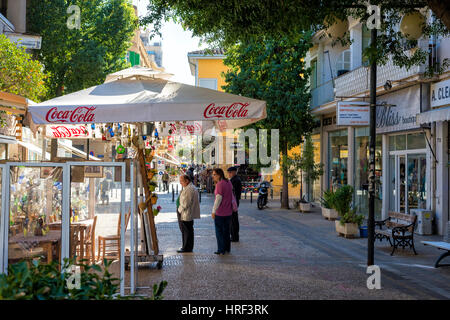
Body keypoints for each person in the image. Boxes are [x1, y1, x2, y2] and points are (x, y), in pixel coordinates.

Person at [211, 168, 233, 255]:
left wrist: (213, 211)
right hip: (228, 212)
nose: (213, 176)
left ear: (219, 175)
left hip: (220, 212)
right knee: (226, 231)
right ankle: (227, 248)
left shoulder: (220, 184)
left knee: (219, 232)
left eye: (214, 175)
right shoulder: (228, 182)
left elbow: (218, 198)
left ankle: (221, 249)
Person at [176, 174, 201, 253]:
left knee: (186, 231)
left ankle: (186, 247)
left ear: (187, 181)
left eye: (182, 181)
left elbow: (186, 203)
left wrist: (179, 210)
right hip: (186, 213)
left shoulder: (190, 189)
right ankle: (187, 247)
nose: (180, 183)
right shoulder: (188, 188)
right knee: (187, 230)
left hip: (186, 213)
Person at [227, 166, 242, 242]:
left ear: (233, 172)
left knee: (233, 220)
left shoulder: (235, 180)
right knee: (233, 219)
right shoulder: (234, 179)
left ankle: (235, 236)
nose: (228, 174)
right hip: (234, 202)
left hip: (234, 202)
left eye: (229, 173)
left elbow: (233, 192)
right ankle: (233, 236)